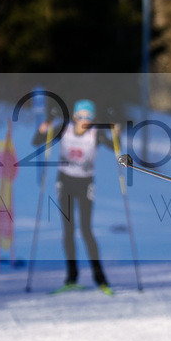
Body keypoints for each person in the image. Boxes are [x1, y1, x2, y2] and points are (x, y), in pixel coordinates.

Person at [33, 99, 113, 294]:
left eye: (89, 117)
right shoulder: (64, 129)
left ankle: (100, 278)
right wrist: (46, 126)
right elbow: (37, 141)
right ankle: (71, 277)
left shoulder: (96, 133)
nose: (85, 120)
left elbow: (114, 147)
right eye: (81, 116)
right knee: (68, 230)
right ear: (75, 116)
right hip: (66, 182)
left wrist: (115, 133)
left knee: (86, 230)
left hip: (85, 183)